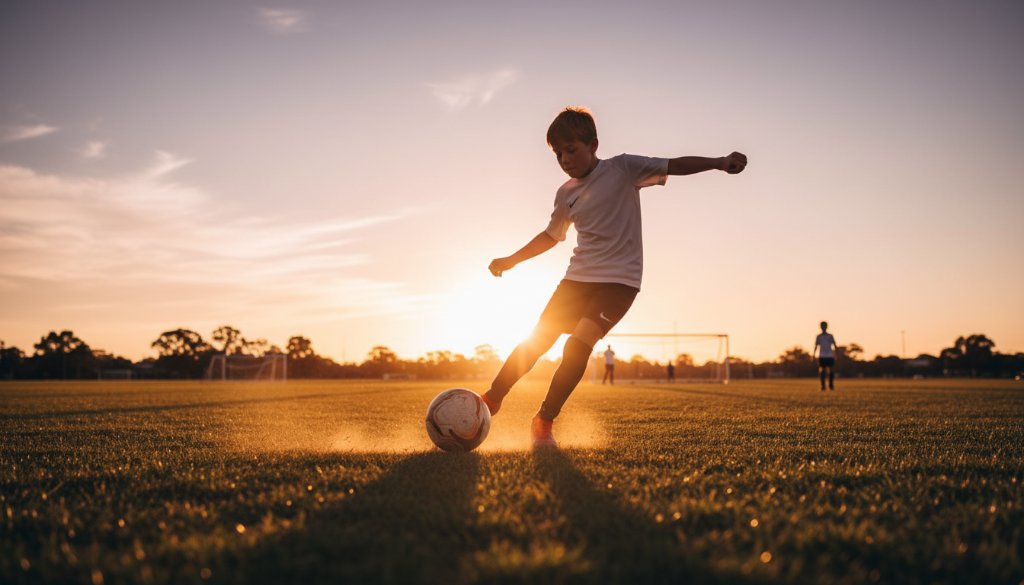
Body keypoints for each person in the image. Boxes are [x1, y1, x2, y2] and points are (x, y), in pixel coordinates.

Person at [480, 106, 747, 447]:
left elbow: (673, 164)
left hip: (620, 283)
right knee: (538, 341)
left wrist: (718, 161)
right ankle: (492, 397)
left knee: (578, 346)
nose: (564, 158)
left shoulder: (623, 168)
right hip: (576, 280)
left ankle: (544, 419)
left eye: (571, 150)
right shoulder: (565, 194)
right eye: (558, 153)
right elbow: (551, 235)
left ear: (593, 144)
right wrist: (512, 259)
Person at [813, 321, 838, 391]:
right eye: (822, 326)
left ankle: (831, 385)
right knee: (822, 370)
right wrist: (814, 355)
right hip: (822, 356)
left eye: (824, 326)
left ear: (827, 327)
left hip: (830, 355)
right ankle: (823, 385)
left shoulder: (830, 336)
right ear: (820, 327)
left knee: (831, 370)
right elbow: (816, 346)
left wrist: (836, 354)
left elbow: (834, 345)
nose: (823, 327)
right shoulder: (819, 336)